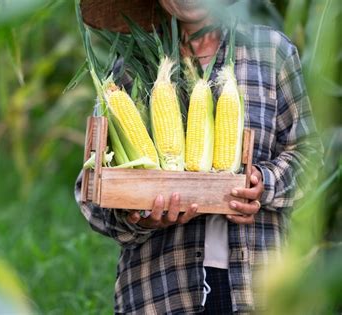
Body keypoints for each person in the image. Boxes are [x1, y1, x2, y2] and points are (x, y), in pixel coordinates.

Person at [75, 0, 324, 313]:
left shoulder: (272, 52)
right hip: (162, 291)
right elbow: (91, 191)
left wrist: (263, 184)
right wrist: (135, 215)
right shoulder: (130, 69)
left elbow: (310, 157)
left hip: (257, 287)